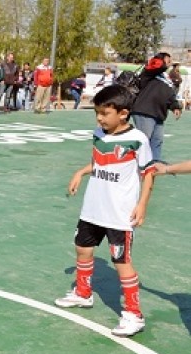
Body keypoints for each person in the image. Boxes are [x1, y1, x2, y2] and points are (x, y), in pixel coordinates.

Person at [55, 85, 156, 337]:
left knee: (121, 261)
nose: (99, 118)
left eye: (104, 113)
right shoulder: (99, 133)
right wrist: (81, 172)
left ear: (122, 113)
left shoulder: (138, 139)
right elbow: (99, 160)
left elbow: (149, 173)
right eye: (97, 113)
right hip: (93, 207)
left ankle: (134, 314)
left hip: (119, 213)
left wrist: (142, 204)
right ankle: (83, 293)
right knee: (82, 249)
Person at [130, 53, 183, 162]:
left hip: (159, 113)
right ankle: (135, 163)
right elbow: (156, 66)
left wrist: (175, 107)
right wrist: (163, 61)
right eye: (168, 59)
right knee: (144, 140)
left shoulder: (166, 78)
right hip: (144, 110)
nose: (170, 62)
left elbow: (170, 95)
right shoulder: (149, 73)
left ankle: (154, 165)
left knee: (157, 141)